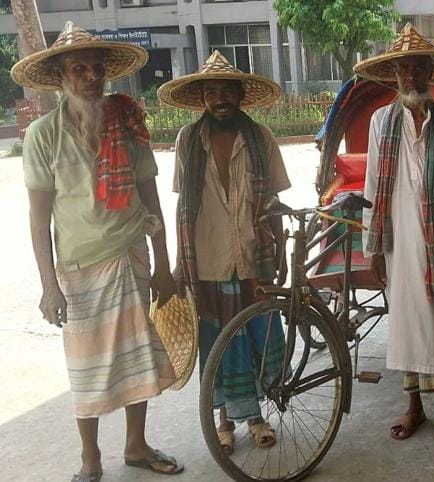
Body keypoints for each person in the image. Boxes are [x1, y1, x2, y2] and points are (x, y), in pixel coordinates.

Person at [13, 22, 183, 481]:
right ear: (62, 78)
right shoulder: (43, 135)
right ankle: (90, 457)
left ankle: (136, 445)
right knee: (85, 368)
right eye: (79, 68)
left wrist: (164, 264)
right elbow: (38, 218)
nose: (91, 76)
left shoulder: (127, 123)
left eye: (96, 68)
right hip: (79, 268)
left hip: (130, 254)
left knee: (138, 356)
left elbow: (151, 197)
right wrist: (49, 286)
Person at [157, 51, 290, 454]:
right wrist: (180, 264)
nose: (219, 98)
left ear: (240, 95)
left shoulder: (260, 137)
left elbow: (273, 203)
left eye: (227, 90)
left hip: (253, 257)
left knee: (257, 339)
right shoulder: (187, 141)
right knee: (219, 343)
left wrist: (279, 256)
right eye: (211, 91)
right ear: (201, 98)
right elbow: (184, 210)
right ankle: (225, 420)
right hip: (209, 259)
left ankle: (256, 417)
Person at [354, 23, 434, 444]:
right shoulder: (379, 121)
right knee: (406, 324)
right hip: (400, 243)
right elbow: (372, 185)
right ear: (394, 75)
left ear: (430, 74)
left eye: (419, 68)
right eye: (404, 69)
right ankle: (413, 407)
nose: (411, 76)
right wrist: (372, 244)